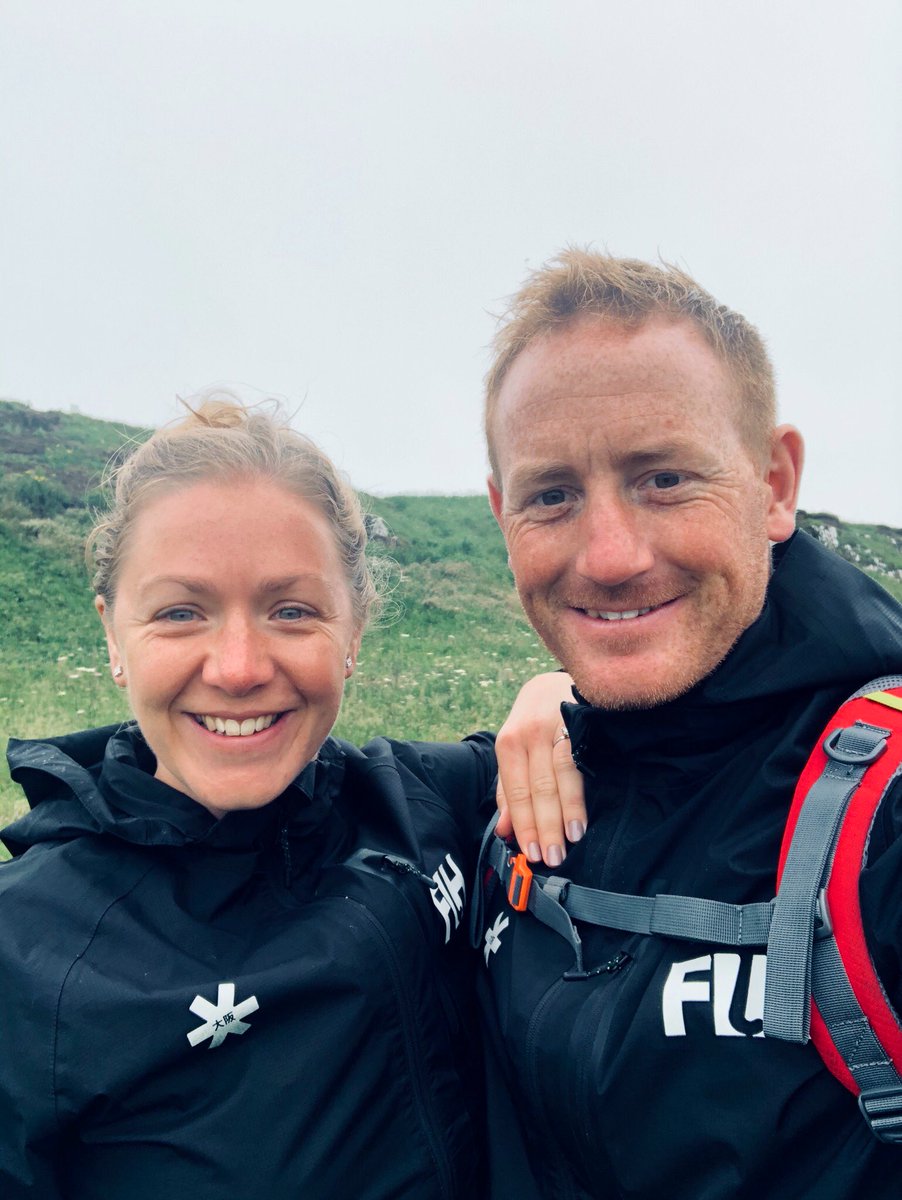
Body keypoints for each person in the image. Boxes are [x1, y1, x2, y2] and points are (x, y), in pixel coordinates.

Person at [0, 397, 579, 1199]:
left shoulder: (426, 801)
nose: (238, 667)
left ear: (354, 633)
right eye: (180, 612)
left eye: (291, 611)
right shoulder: (25, 952)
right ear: (112, 637)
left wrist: (557, 696)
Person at [476, 250, 902, 1198]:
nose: (611, 556)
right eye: (551, 495)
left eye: (663, 478)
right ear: (503, 514)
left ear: (774, 485)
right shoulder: (504, 795)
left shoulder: (887, 814)